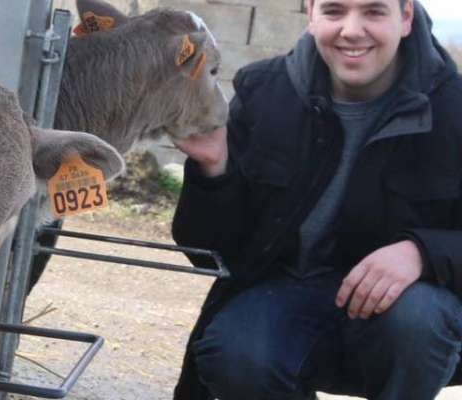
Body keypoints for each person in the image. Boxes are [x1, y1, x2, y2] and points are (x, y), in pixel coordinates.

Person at [172, 0, 462, 399]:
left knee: (418, 320)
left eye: (374, 12)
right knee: (238, 352)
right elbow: (211, 251)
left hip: (403, 317)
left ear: (406, 18)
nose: (352, 30)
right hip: (288, 292)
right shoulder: (263, 90)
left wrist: (422, 253)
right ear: (311, 16)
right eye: (334, 11)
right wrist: (214, 168)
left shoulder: (455, 109)